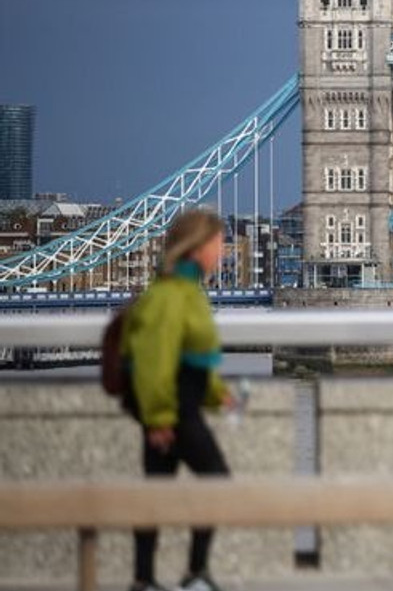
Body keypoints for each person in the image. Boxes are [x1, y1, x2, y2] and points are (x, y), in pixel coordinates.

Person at [121, 209, 235, 591]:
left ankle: (144, 580)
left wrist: (219, 394)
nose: (224, 253)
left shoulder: (186, 290)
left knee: (156, 493)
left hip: (175, 405)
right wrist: (158, 419)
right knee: (217, 481)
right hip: (173, 410)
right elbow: (156, 360)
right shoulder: (170, 295)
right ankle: (195, 574)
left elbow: (194, 353)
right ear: (198, 248)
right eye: (219, 244)